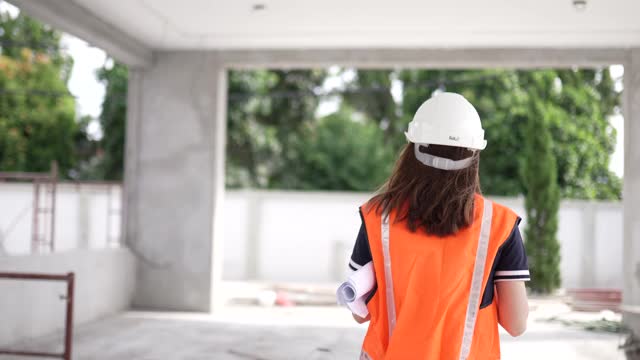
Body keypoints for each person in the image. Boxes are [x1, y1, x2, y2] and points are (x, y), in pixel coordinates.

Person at [348, 92, 530, 360]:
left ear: (412, 150)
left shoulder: (379, 217)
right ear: (474, 155)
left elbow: (358, 313)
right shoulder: (499, 224)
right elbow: (516, 324)